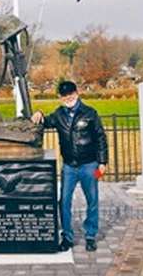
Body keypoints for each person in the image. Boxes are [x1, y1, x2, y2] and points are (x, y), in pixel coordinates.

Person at [31, 80, 108, 252]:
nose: (68, 98)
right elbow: (46, 121)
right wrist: (39, 113)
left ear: (77, 93)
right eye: (64, 95)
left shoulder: (90, 113)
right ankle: (67, 237)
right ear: (60, 97)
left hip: (90, 165)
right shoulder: (59, 114)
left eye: (71, 94)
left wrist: (102, 163)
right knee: (64, 201)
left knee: (93, 200)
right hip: (69, 167)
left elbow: (101, 138)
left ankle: (90, 235)